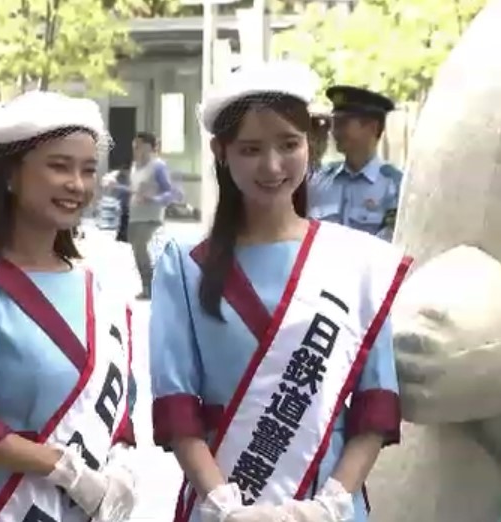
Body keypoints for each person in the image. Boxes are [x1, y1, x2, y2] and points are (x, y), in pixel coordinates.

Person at [149, 61, 413, 522]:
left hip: (328, 503)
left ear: (310, 144)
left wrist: (332, 504)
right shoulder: (186, 264)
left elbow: (376, 406)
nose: (272, 166)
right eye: (250, 149)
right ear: (220, 151)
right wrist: (225, 506)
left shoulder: (358, 261)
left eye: (288, 145)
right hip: (222, 507)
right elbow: (176, 409)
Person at [0, 90, 138, 522]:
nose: (77, 185)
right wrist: (64, 468)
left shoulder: (101, 282)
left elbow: (121, 400)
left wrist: (122, 468)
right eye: (59, 166)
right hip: (5, 508)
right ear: (9, 175)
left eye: (88, 170)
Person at [307, 86, 403, 241]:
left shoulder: (395, 187)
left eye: (342, 124)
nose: (334, 132)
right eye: (333, 124)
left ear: (372, 127)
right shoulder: (318, 181)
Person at [125, 131, 176, 299]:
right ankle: (147, 288)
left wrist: (153, 198)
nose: (136, 149)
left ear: (150, 147)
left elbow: (170, 193)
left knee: (144, 251)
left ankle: (154, 288)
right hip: (135, 216)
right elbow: (134, 191)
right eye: (134, 146)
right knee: (138, 254)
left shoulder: (158, 166)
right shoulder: (135, 167)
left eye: (139, 146)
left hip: (151, 218)